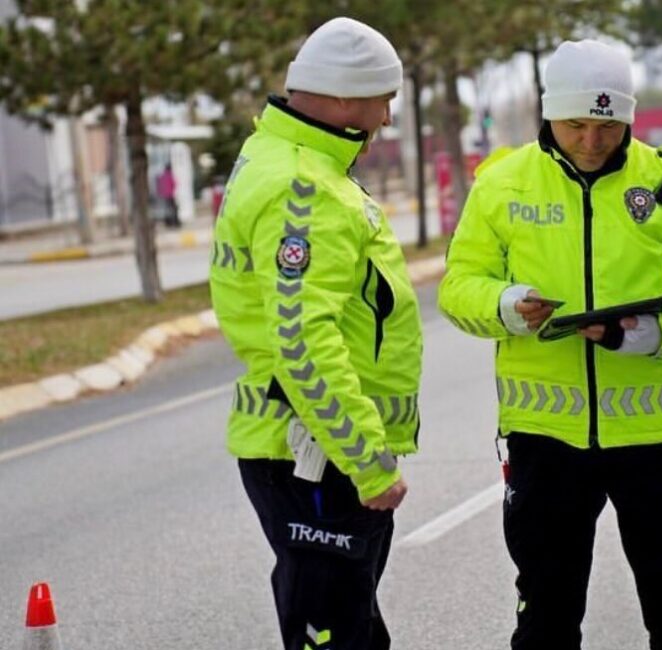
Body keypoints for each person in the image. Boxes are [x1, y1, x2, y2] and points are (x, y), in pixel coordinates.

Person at [438, 39, 662, 650]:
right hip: (545, 441)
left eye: (608, 125)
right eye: (576, 124)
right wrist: (506, 307)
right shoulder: (501, 185)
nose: (592, 140)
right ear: (549, 114)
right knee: (546, 619)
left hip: (654, 438)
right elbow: (458, 287)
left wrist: (656, 333)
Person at [208, 17, 421, 650]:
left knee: (346, 627)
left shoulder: (277, 157)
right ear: (344, 98)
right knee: (336, 635)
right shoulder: (307, 187)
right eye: (383, 100)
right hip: (318, 457)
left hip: (307, 448)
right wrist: (367, 462)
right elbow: (303, 343)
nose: (385, 118)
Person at [156, 163, 180, 228]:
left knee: (167, 209)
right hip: (170, 195)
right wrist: (172, 190)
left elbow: (159, 185)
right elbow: (175, 183)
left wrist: (161, 193)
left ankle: (168, 223)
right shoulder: (170, 175)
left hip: (164, 195)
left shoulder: (162, 176)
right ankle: (175, 223)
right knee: (174, 209)